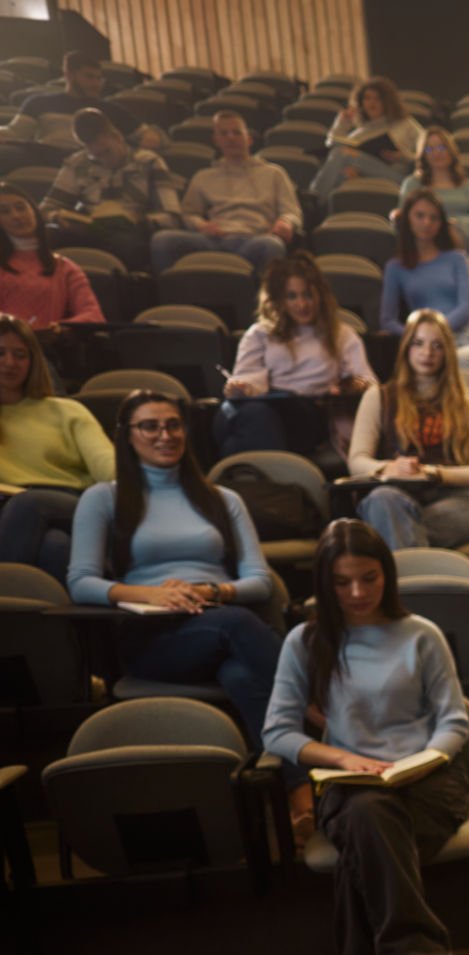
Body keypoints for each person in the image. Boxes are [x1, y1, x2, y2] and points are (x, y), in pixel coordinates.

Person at [262, 518, 469, 955]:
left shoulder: (420, 634)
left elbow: (454, 723)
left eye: (369, 578)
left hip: (426, 782)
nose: (357, 593)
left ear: (388, 575)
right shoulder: (305, 641)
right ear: (325, 584)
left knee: (365, 837)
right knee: (367, 814)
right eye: (343, 582)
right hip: (350, 784)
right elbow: (278, 732)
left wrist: (419, 760)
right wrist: (343, 758)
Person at [66, 389, 288, 757]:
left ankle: (294, 790)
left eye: (173, 426)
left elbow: (260, 581)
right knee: (236, 626)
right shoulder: (103, 498)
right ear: (127, 435)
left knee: (240, 675)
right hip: (155, 638)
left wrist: (210, 592)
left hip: (221, 620)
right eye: (149, 427)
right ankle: (319, 713)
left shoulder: (224, 499)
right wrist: (148, 593)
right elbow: (80, 583)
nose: (165, 436)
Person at [347, 307, 469, 552]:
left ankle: (402, 565)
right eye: (418, 343)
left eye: (437, 345)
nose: (427, 353)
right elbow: (356, 461)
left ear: (447, 351)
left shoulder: (467, 404)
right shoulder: (379, 396)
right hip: (395, 493)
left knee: (394, 524)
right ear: (406, 348)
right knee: (382, 501)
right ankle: (419, 576)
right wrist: (388, 468)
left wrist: (433, 473)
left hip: (453, 500)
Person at [217, 253, 376, 465]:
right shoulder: (260, 333)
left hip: (308, 414)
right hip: (264, 406)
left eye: (308, 295)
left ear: (320, 295)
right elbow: (247, 379)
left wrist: (351, 386)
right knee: (247, 414)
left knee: (241, 437)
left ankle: (248, 475)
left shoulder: (341, 334)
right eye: (292, 296)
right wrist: (241, 388)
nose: (302, 304)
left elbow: (368, 383)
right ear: (280, 301)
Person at [0, 313, 114, 574]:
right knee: (55, 547)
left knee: (29, 505)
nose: (9, 363)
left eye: (20, 355)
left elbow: (108, 466)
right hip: (7, 507)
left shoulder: (67, 410)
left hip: (69, 503)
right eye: (0, 352)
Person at [148, 112, 301, 276]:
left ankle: (265, 301)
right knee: (162, 240)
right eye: (224, 133)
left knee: (272, 246)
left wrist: (285, 222)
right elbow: (188, 213)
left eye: (236, 133)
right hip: (214, 239)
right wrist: (201, 225)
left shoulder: (274, 173)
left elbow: (291, 211)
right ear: (216, 140)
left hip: (255, 237)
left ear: (249, 139)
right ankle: (169, 299)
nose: (230, 138)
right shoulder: (203, 176)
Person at [40, 109, 183, 270]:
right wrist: (56, 217)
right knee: (47, 236)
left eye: (106, 152)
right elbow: (47, 207)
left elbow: (171, 216)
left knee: (124, 242)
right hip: (89, 229)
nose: (103, 159)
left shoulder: (149, 162)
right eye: (96, 156)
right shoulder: (78, 163)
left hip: (134, 231)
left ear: (117, 137)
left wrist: (140, 221)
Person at [380, 188, 469, 373]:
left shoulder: (457, 258)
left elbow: (465, 309)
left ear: (441, 223)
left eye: (433, 217)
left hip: (468, 343)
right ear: (408, 218)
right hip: (425, 350)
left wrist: (435, 333)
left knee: (462, 361)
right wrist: (418, 338)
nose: (426, 222)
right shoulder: (396, 267)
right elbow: (387, 320)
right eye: (419, 215)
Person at [0, 184, 104, 333]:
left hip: (50, 347)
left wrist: (59, 328)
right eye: (5, 212)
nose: (16, 216)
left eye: (21, 207)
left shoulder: (64, 267)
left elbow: (94, 316)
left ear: (34, 211)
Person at [309, 77, 425, 202]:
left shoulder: (405, 124)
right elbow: (332, 145)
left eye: (377, 98)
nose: (372, 103)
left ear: (387, 102)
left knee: (342, 153)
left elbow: (426, 153)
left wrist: (402, 157)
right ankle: (324, 212)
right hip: (369, 174)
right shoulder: (362, 130)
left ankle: (314, 199)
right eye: (367, 98)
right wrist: (341, 124)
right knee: (343, 171)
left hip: (398, 176)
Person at [397, 127, 469, 266]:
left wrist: (450, 224)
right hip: (426, 244)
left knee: (454, 231)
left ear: (451, 151)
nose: (436, 153)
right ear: (423, 155)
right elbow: (402, 221)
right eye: (429, 149)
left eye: (441, 147)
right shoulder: (412, 184)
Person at [17, 51, 139, 137]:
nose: (96, 84)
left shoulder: (110, 110)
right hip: (46, 158)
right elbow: (15, 133)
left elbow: (145, 135)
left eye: (99, 78)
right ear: (69, 76)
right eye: (89, 77)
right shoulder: (39, 103)